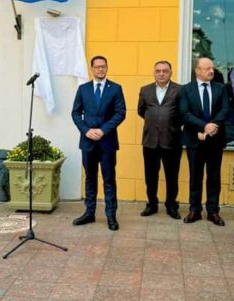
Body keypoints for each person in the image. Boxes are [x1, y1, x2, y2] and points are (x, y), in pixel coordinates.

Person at [71, 55, 127, 231]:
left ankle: (111, 215)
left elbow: (120, 113)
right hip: (87, 142)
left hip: (107, 141)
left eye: (103, 66)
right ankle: (89, 213)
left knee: (109, 178)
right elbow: (75, 113)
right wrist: (86, 130)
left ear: (107, 68)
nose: (100, 69)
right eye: (97, 67)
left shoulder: (116, 89)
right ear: (92, 69)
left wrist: (103, 130)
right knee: (90, 178)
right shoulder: (83, 89)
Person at [180, 57, 231, 225]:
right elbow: (185, 114)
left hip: (215, 140)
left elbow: (225, 110)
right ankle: (194, 210)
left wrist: (211, 128)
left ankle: (213, 211)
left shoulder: (220, 88)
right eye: (207, 68)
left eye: (212, 68)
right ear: (197, 70)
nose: (212, 71)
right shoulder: (186, 90)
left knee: (214, 177)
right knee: (195, 176)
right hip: (195, 139)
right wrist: (203, 127)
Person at [137, 61, 182, 219]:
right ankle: (152, 204)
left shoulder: (179, 90)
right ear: (154, 72)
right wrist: (156, 123)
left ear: (171, 72)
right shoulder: (145, 90)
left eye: (165, 71)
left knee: (172, 176)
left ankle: (171, 205)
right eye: (158, 71)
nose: (161, 73)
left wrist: (169, 125)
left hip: (172, 140)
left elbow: (183, 113)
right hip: (150, 141)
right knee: (150, 176)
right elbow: (141, 111)